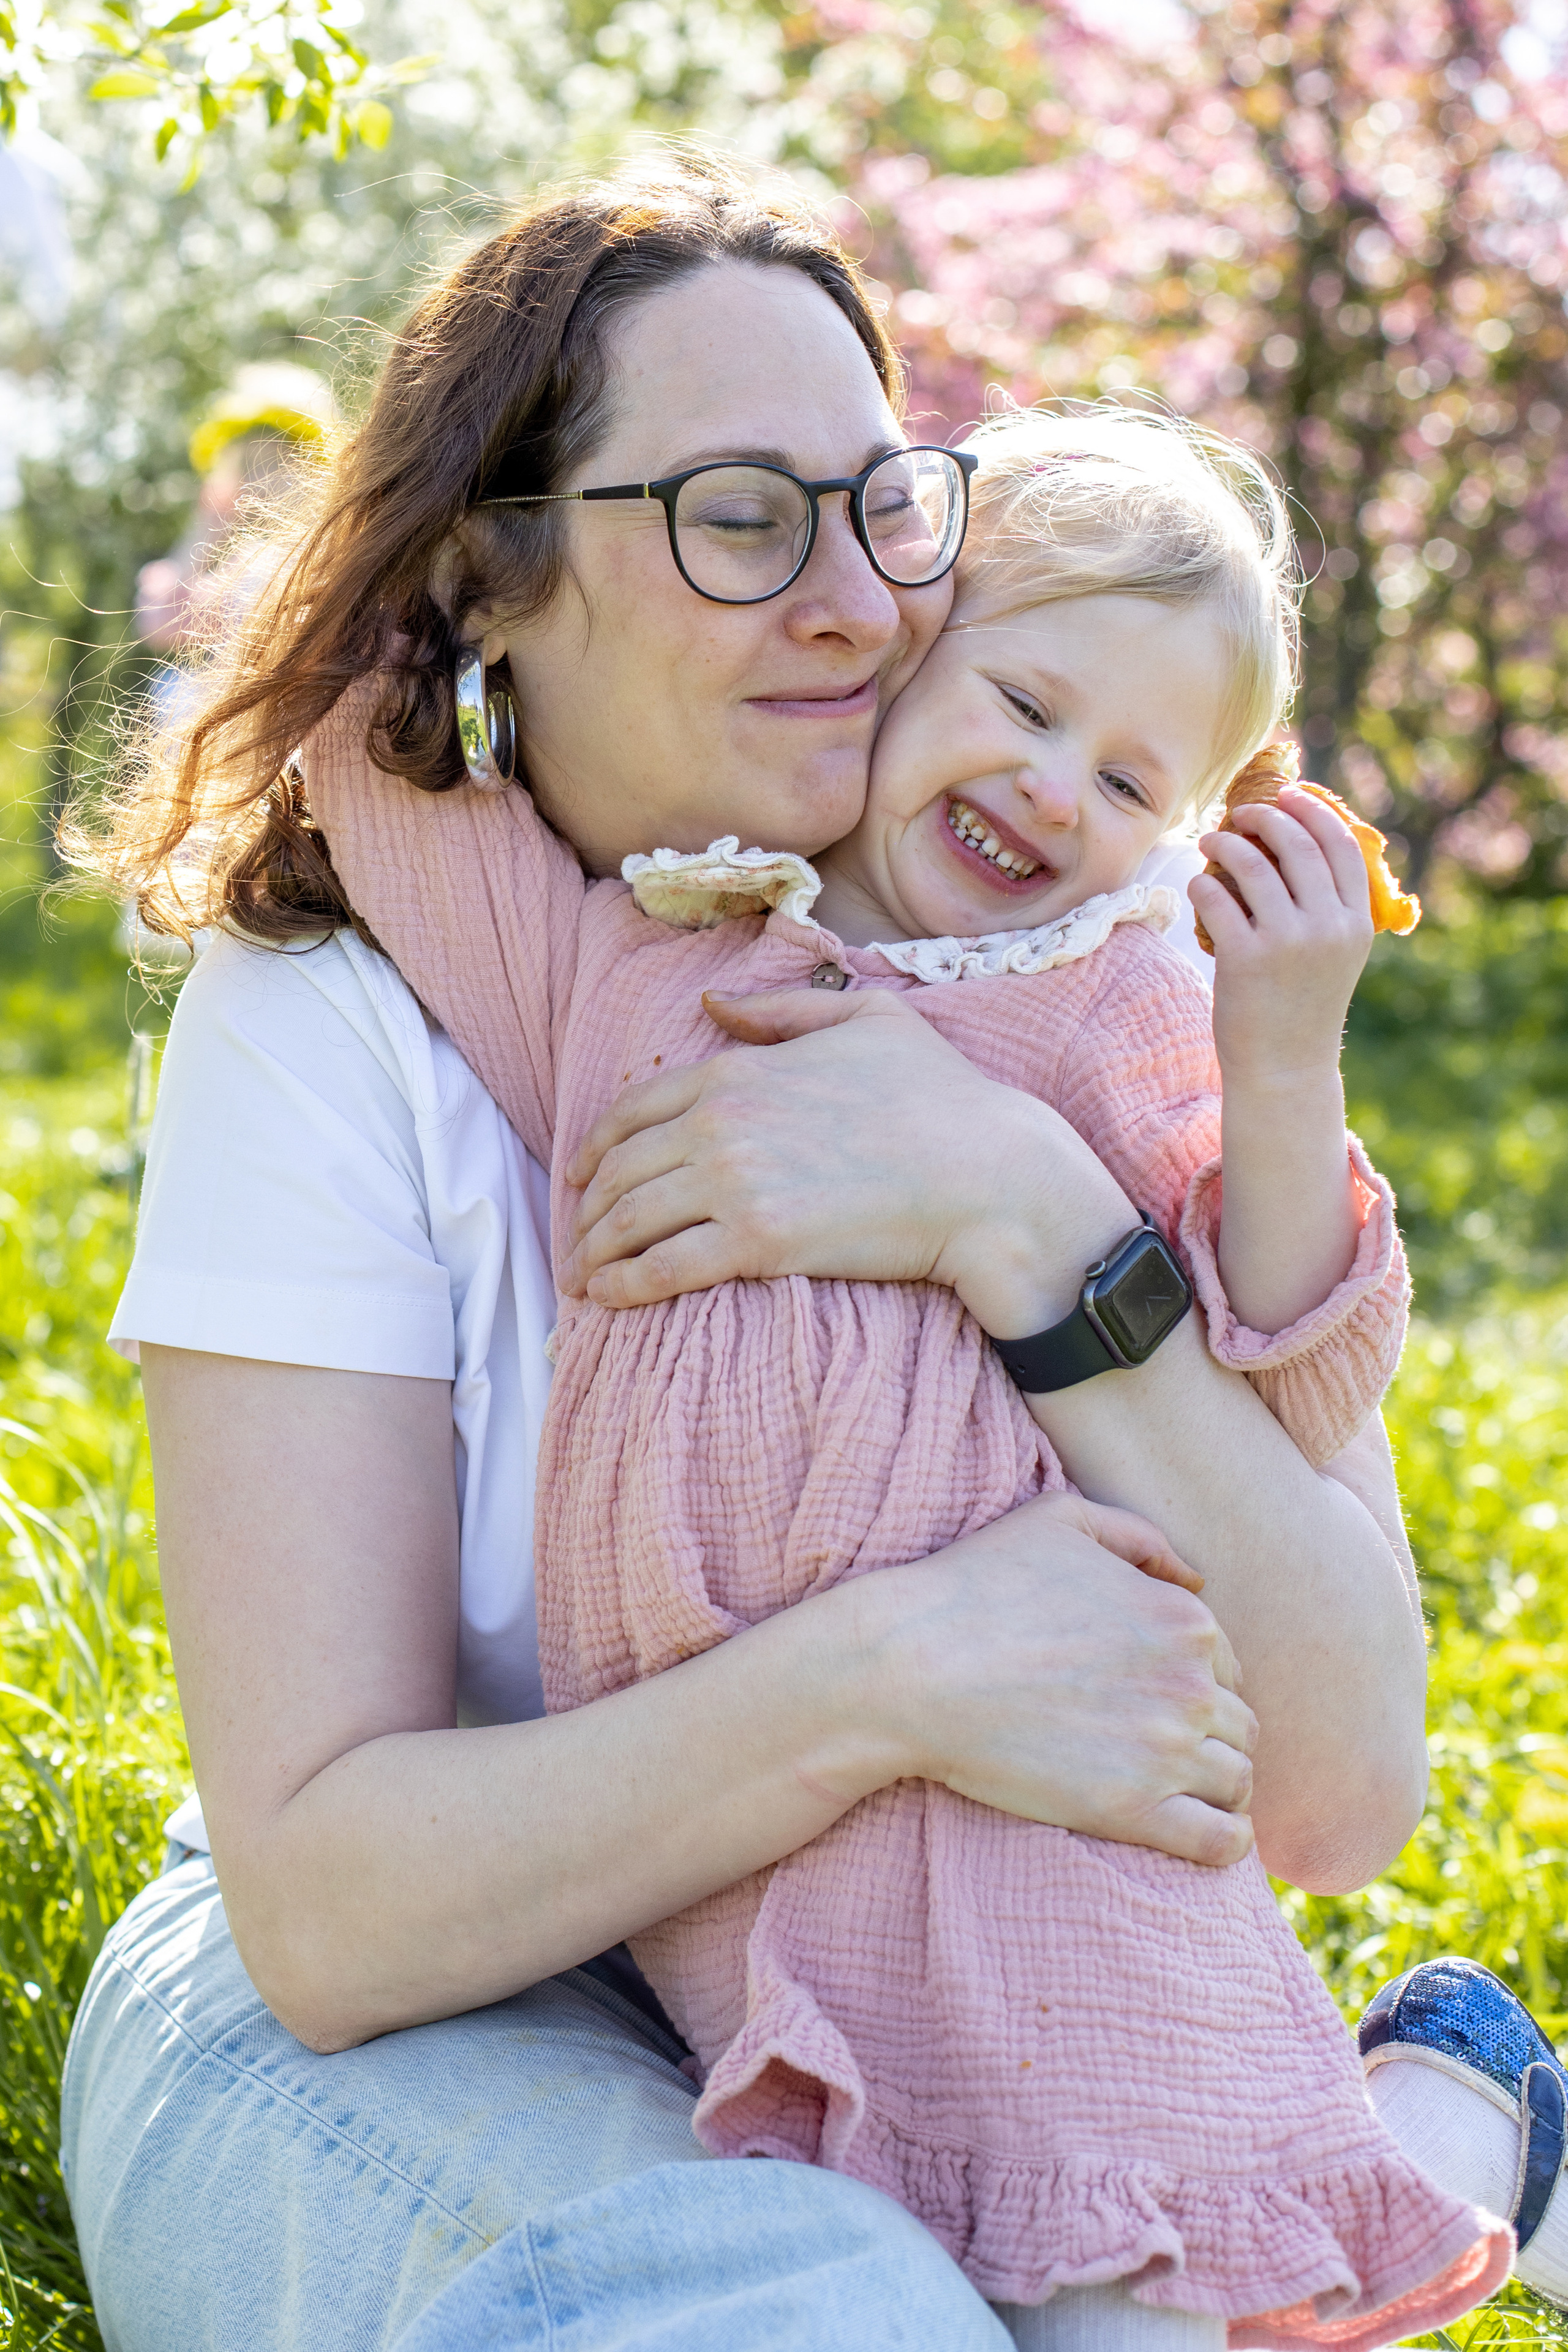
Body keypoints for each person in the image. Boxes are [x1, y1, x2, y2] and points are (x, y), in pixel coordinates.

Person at [53, 154, 1518, 2350]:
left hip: (899, 1963)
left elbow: (1337, 1786)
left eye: (883, 508)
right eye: (742, 520)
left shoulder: (1070, 1006)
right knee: (812, 2315)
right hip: (415, 1996)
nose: (851, 603)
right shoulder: (339, 1018)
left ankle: (1439, 2127)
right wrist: (899, 1671)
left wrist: (1011, 1207)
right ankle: (1443, 2136)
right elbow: (332, 1920)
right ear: (494, 574)